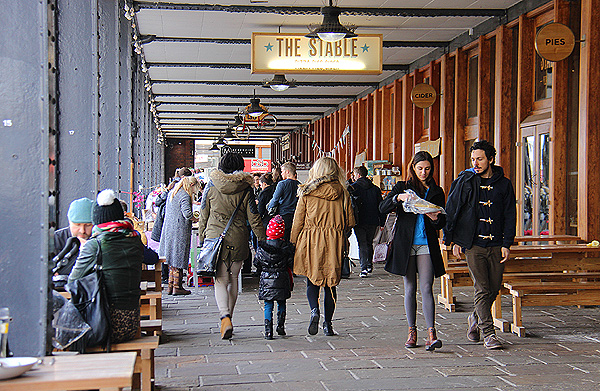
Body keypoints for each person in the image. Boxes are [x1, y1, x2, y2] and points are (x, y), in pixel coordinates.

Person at [443, 140, 516, 350]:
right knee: (482, 288)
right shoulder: (466, 181)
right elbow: (453, 208)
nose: (476, 163)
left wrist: (507, 242)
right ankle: (489, 333)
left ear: (491, 159)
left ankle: (475, 317)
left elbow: (510, 214)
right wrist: (453, 239)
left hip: (496, 243)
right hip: (473, 244)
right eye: (473, 159)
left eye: (480, 158)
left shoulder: (504, 184)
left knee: (493, 288)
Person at [379, 151, 446, 351]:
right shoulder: (403, 187)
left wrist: (436, 219)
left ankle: (431, 332)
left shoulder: (437, 191)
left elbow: (442, 221)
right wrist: (397, 197)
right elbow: (382, 207)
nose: (423, 173)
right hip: (405, 244)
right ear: (413, 168)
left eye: (427, 169)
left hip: (426, 243)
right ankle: (412, 331)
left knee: (427, 287)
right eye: (419, 169)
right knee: (409, 287)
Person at [198, 152, 266, 339]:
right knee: (233, 278)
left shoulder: (211, 186)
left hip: (214, 238)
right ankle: (229, 318)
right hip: (238, 238)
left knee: (220, 280)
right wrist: (262, 239)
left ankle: (224, 317)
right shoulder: (246, 188)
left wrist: (201, 237)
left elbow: (204, 214)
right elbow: (254, 217)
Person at [68, 189, 144, 343]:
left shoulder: (95, 245)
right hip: (132, 320)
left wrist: (84, 249)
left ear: (96, 221)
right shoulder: (135, 239)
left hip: (103, 323)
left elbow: (72, 282)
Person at [291, 157, 355, 336]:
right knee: (330, 283)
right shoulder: (343, 192)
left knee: (312, 279)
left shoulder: (306, 192)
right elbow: (350, 221)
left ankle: (314, 311)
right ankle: (328, 324)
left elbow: (298, 221)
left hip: (311, 241)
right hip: (335, 241)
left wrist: (293, 244)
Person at [253, 215, 295, 339]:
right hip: (282, 279)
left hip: (266, 281)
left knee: (268, 305)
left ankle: (268, 331)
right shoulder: (286, 248)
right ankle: (281, 327)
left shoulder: (262, 248)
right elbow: (291, 263)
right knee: (282, 303)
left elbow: (256, 263)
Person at [159, 175, 200, 296]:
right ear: (191, 185)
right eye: (195, 188)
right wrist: (196, 218)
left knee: (172, 260)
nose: (195, 191)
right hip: (179, 231)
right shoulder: (184, 195)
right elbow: (187, 214)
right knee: (178, 258)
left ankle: (171, 286)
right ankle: (177, 286)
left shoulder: (173, 192)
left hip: (169, 229)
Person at [348, 165, 385, 278]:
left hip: (359, 220)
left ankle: (364, 268)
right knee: (369, 242)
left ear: (358, 175)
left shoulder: (353, 188)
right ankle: (369, 265)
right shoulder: (375, 188)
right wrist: (382, 222)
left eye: (354, 175)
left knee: (362, 244)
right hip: (373, 219)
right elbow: (381, 207)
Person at [53, 197, 94, 275]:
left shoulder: (100, 241)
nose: (82, 230)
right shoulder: (56, 239)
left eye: (88, 225)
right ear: (69, 222)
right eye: (77, 225)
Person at [268, 162, 301, 241]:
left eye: (282, 171)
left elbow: (275, 199)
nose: (281, 174)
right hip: (296, 216)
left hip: (283, 216)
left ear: (287, 172)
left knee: (283, 240)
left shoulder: (282, 184)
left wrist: (269, 208)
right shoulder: (300, 185)